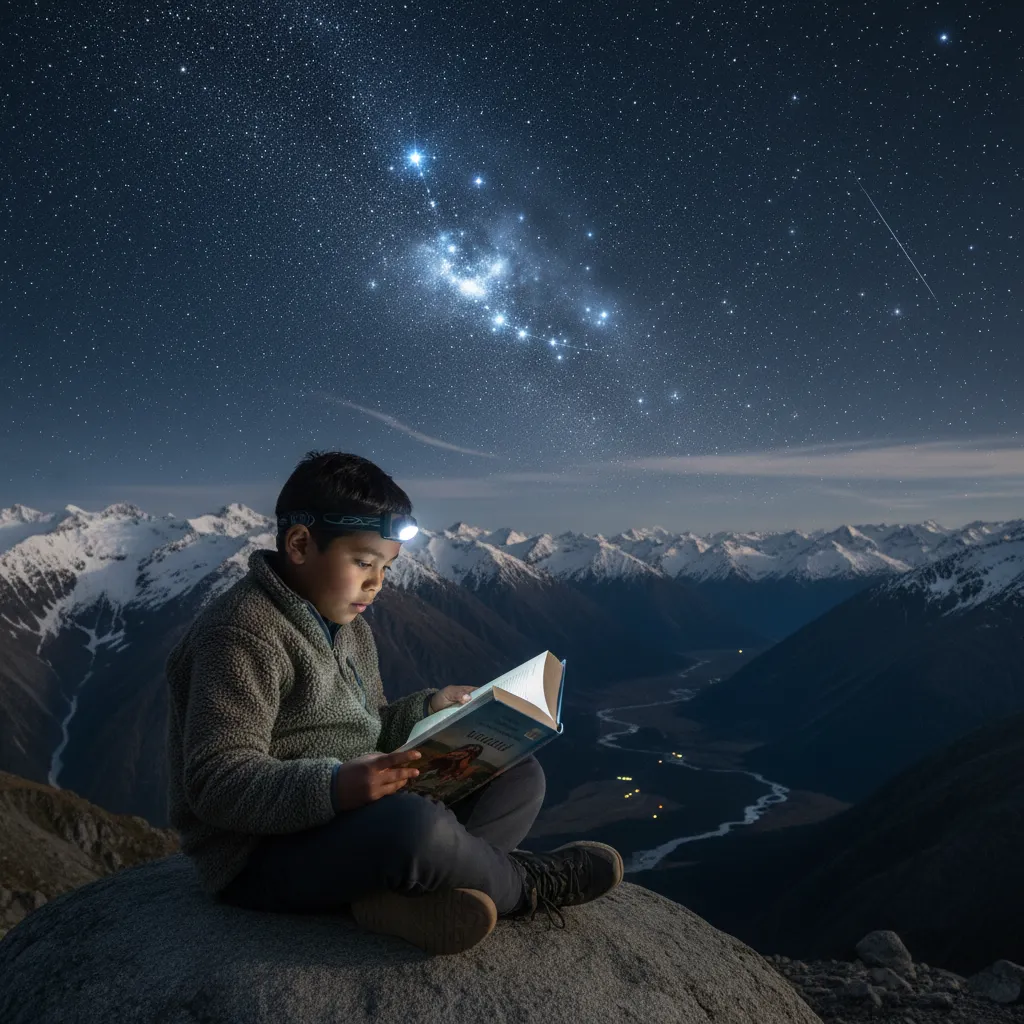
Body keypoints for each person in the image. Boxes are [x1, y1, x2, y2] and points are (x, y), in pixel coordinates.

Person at [164, 450, 623, 956]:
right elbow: (216, 781)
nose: (378, 582)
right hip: (259, 856)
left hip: (347, 820)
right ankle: (523, 886)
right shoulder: (242, 632)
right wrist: (335, 786)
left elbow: (368, 728)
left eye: (386, 566)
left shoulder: (350, 627)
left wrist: (428, 710)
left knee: (518, 775)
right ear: (300, 544)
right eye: (363, 562)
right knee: (414, 827)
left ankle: (404, 896)